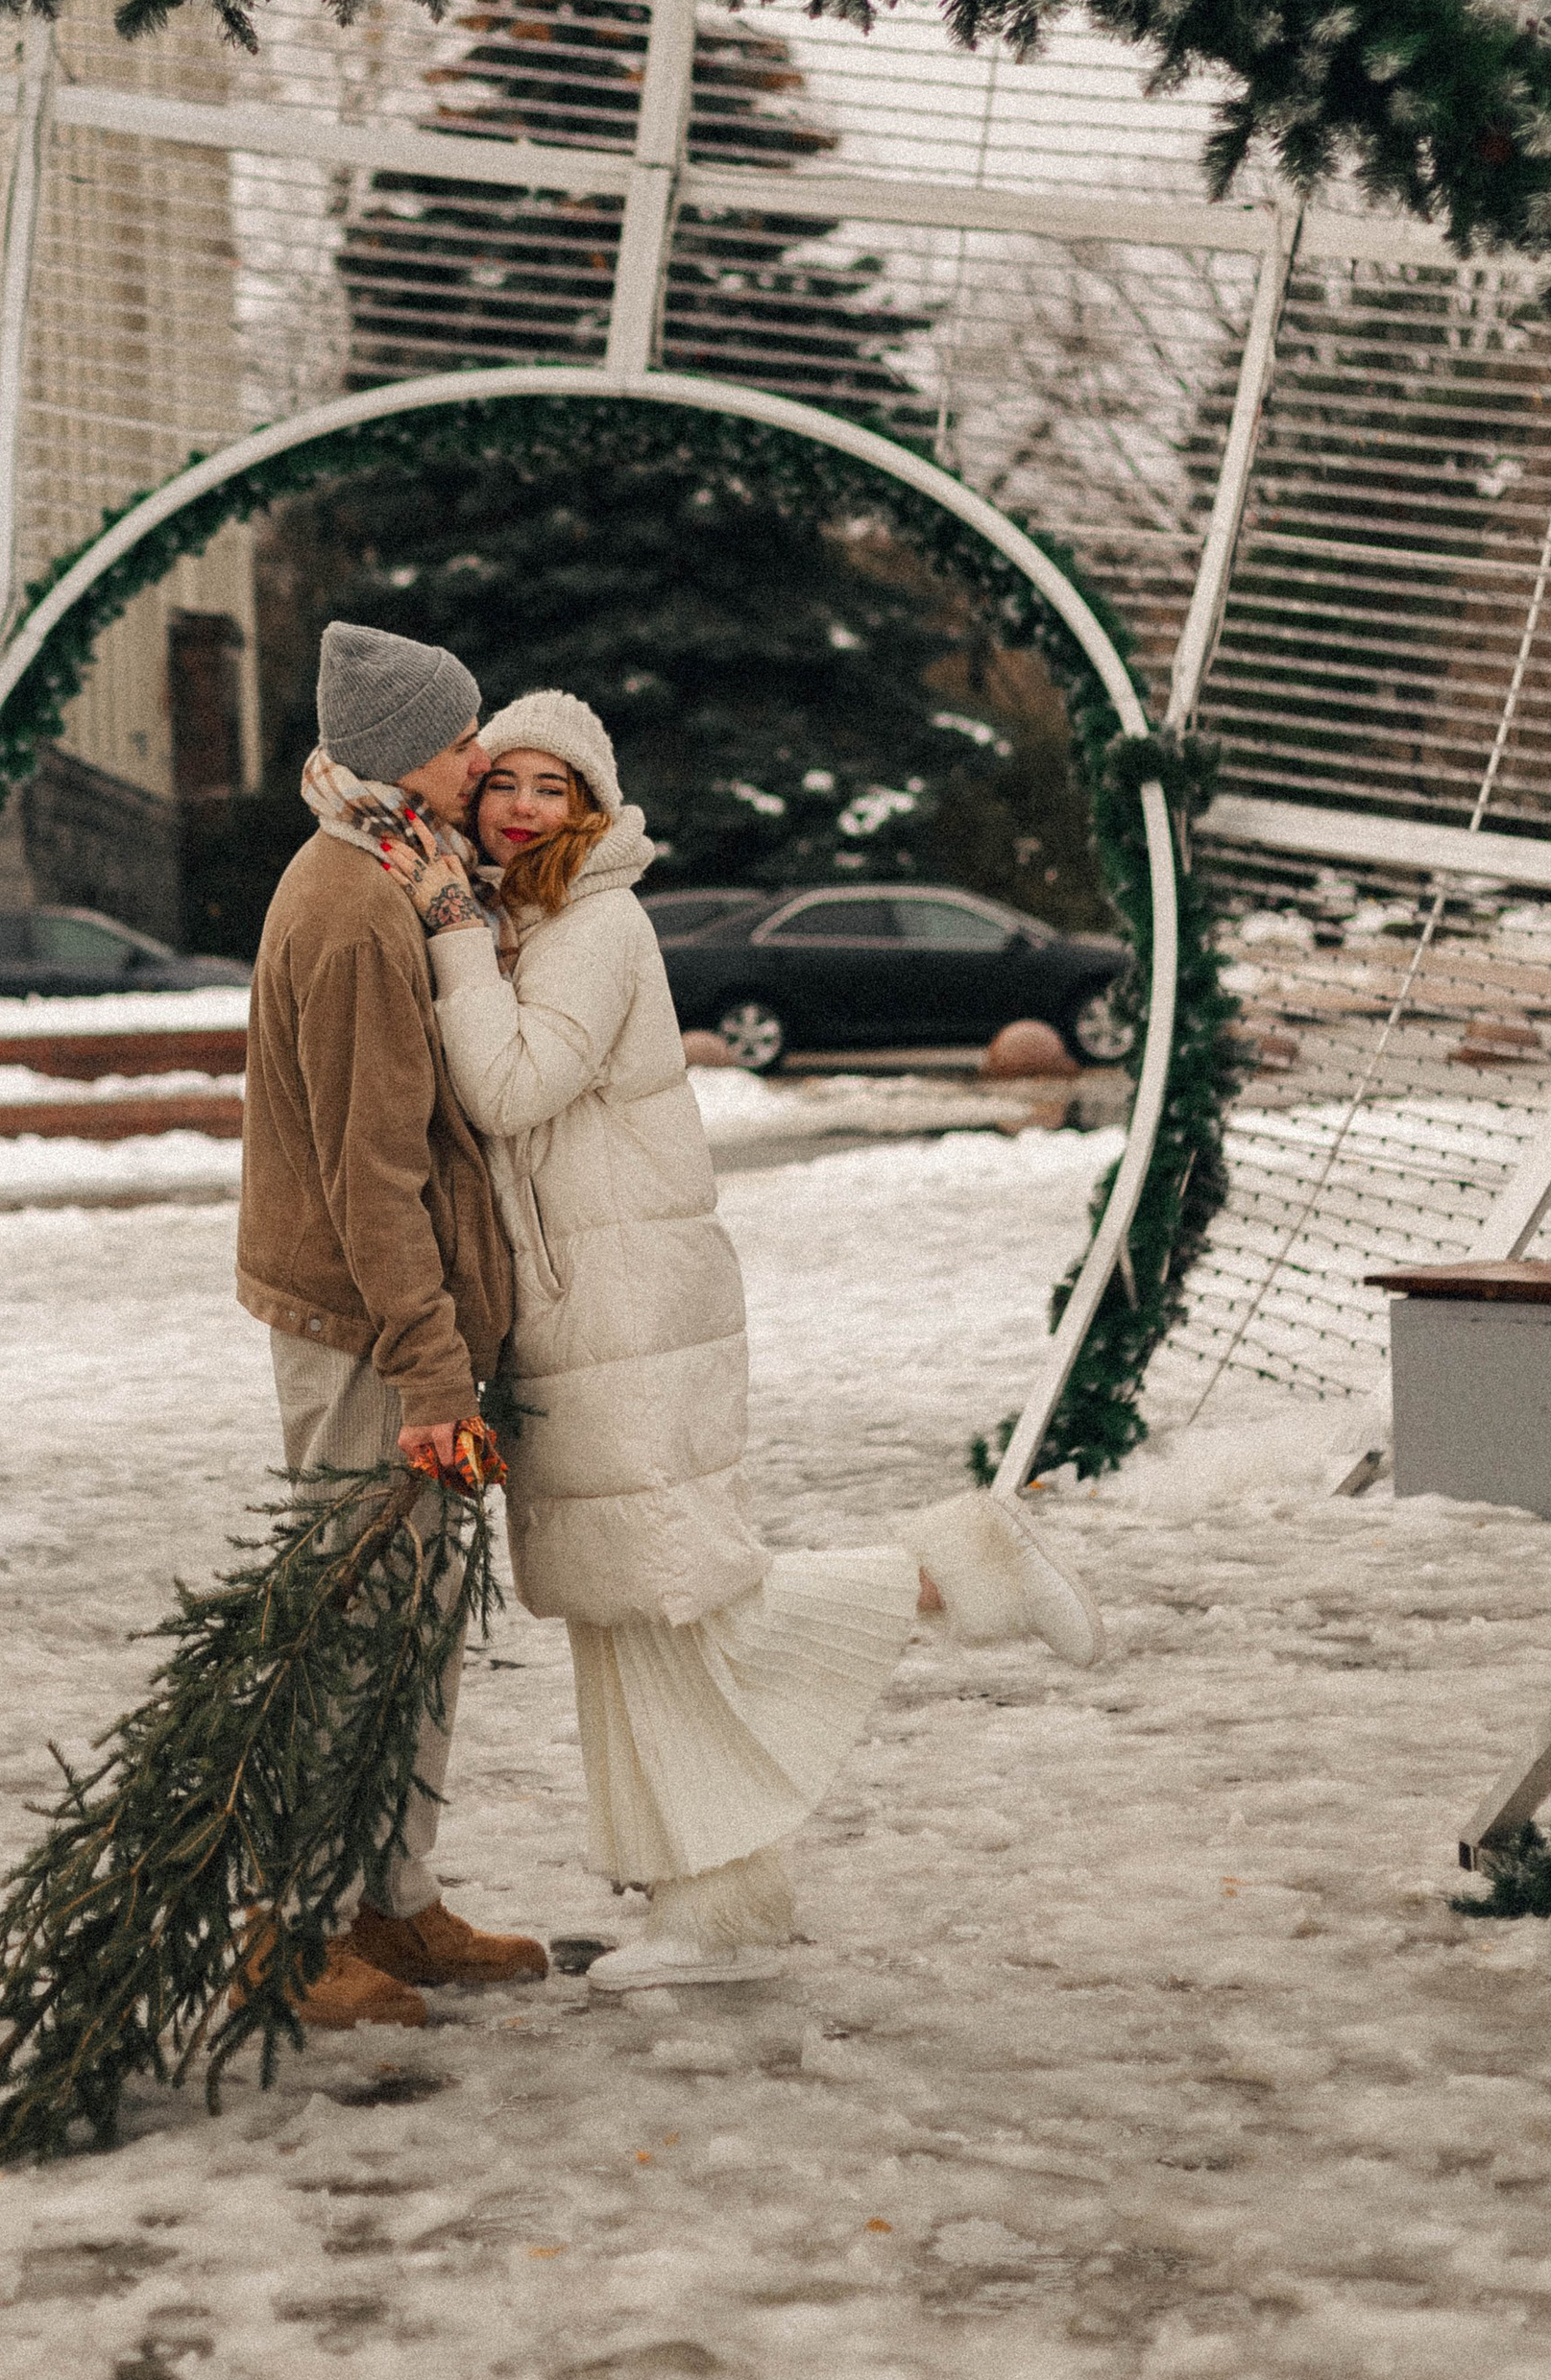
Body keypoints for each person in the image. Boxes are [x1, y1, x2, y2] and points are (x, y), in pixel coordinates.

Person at [379, 688, 1103, 1984]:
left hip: (625, 1309)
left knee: (678, 1587)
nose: (524, 806)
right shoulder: (531, 919)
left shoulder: (592, 926)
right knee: (634, 1606)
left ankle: (958, 1564)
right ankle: (717, 1910)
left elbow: (509, 1085)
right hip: (584, 1304)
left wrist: (444, 941)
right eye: (507, 784)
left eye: (555, 787)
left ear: (591, 808)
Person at [235, 619, 551, 2029]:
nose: (479, 757)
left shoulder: (388, 873)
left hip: (398, 1334)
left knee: (414, 1627)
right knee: (357, 1629)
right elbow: (374, 1175)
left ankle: (393, 1902)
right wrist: (432, 1370)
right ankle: (293, 1931)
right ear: (398, 757)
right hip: (370, 1339)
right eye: (459, 736)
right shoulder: (354, 909)